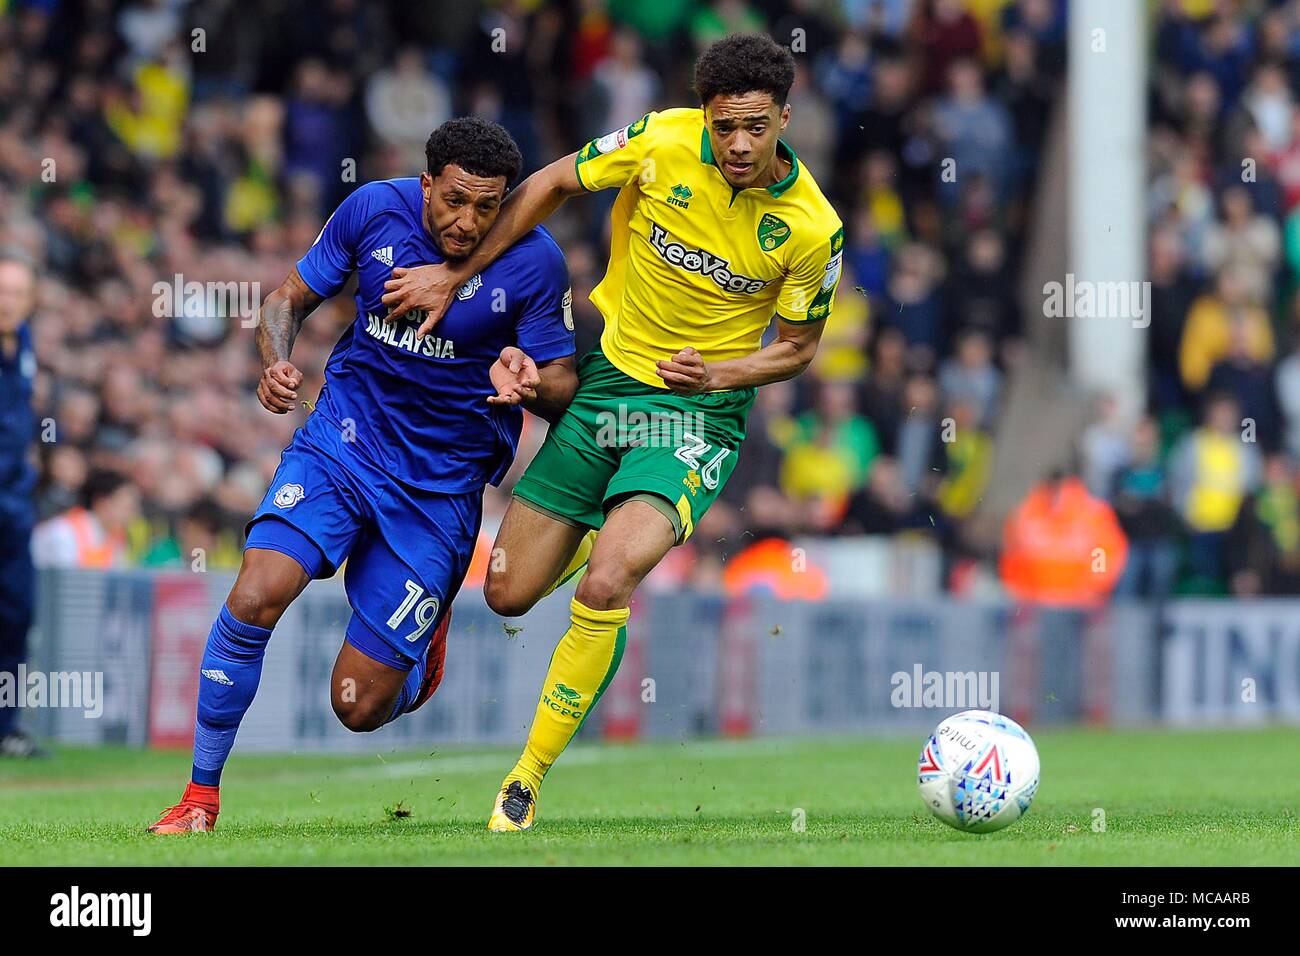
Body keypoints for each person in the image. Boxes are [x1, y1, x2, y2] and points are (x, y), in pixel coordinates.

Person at [383, 34, 844, 831]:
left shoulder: (812, 229)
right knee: (506, 592)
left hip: (696, 412)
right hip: (608, 389)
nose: (739, 144)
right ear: (705, 113)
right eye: (726, 124)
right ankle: (605, 535)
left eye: (757, 127)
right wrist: (461, 275)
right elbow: (555, 181)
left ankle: (524, 780)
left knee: (607, 585)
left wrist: (721, 375)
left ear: (784, 119)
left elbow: (798, 350)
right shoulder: (658, 141)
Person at [146, 118, 578, 833]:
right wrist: (278, 359)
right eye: (456, 201)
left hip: (437, 491)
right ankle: (199, 799)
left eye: (489, 206)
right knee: (257, 593)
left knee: (357, 706)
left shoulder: (535, 261)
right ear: (427, 183)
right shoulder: (372, 209)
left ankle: (420, 651)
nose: (468, 221)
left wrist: (531, 381)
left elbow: (564, 383)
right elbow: (287, 300)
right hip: (341, 446)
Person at [0, 252, 39, 758]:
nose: (5, 303)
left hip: (14, 508)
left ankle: (7, 727)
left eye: (15, 294)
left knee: (16, 615)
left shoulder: (24, 346)